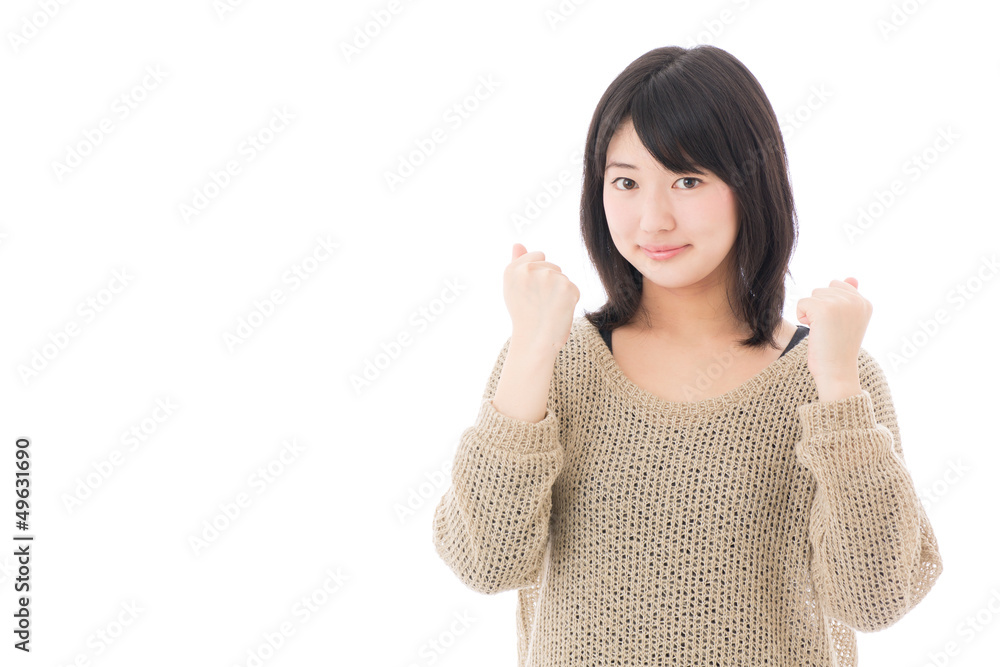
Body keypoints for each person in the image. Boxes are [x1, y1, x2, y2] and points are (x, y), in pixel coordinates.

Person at [431, 44, 943, 667]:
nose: (653, 220)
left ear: (751, 184)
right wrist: (533, 349)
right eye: (625, 182)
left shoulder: (833, 375)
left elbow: (875, 599)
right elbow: (485, 563)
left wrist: (836, 386)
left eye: (687, 180)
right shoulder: (553, 361)